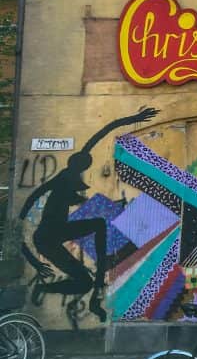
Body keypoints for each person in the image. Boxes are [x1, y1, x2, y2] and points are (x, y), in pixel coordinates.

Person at [20, 107, 159, 321]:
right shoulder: (63, 178)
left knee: (97, 229)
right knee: (96, 230)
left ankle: (97, 285)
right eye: (84, 166)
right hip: (48, 237)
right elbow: (27, 207)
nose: (86, 170)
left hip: (57, 233)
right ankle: (78, 286)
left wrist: (135, 119)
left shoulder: (71, 176)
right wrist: (34, 260)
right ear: (77, 164)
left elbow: (101, 133)